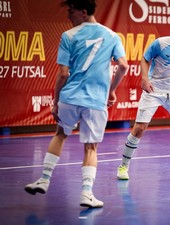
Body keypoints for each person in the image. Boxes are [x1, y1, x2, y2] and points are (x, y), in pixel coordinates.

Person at [24, 0, 129, 208]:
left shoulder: (68, 36)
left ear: (83, 12)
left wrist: (55, 102)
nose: (68, 16)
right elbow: (123, 66)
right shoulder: (112, 36)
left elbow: (63, 74)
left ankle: (44, 179)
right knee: (91, 148)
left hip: (70, 98)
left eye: (70, 12)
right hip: (96, 101)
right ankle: (86, 194)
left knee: (60, 134)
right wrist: (112, 91)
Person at [116, 12, 170, 180]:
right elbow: (145, 59)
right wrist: (145, 79)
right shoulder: (160, 44)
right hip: (154, 88)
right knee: (139, 129)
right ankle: (123, 166)